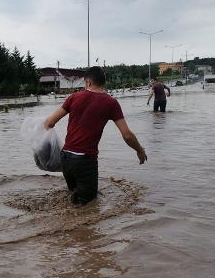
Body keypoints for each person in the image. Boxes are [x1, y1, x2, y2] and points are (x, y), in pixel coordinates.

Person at [43, 66, 147, 205]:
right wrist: (140, 150)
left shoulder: (74, 97)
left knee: (74, 199)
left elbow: (49, 123)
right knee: (88, 205)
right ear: (103, 82)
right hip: (85, 161)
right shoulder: (111, 103)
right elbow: (127, 135)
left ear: (88, 82)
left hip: (66, 158)